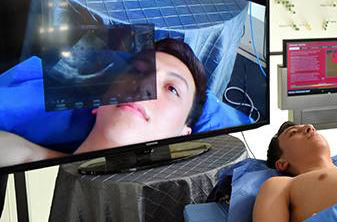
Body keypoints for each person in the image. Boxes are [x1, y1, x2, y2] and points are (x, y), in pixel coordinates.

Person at [0, 38, 207, 164]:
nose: (145, 87)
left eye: (172, 89)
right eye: (138, 71)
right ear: (98, 103)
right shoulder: (15, 153)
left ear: (183, 135)